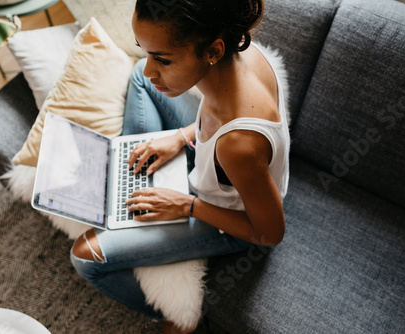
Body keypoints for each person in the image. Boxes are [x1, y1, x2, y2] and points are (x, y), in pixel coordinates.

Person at [71, 0, 290, 332]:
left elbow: (270, 233)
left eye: (162, 59)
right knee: (139, 81)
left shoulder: (238, 146)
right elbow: (214, 114)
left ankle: (178, 318)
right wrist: (180, 138)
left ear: (212, 50)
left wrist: (185, 206)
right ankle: (131, 180)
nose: (150, 68)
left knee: (85, 256)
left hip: (229, 222)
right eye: (146, 52)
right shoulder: (241, 53)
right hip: (211, 162)